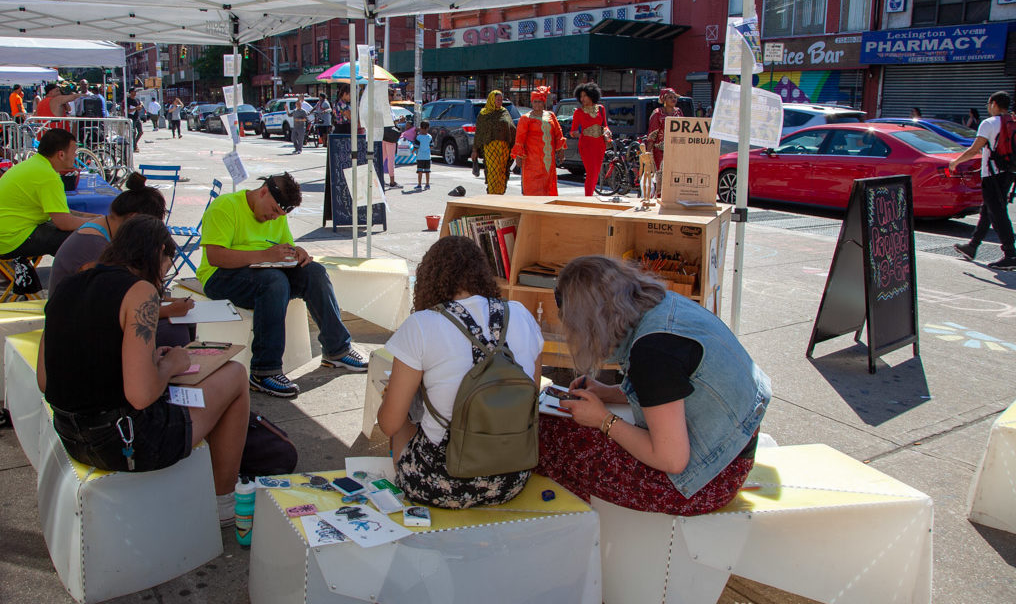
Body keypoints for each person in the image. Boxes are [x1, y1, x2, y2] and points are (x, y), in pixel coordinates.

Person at [38, 214, 249, 525]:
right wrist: (169, 366)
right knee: (235, 376)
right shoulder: (140, 292)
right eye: (166, 266)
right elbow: (140, 396)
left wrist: (152, 360)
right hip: (125, 442)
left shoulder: (68, 286)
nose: (163, 276)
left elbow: (45, 380)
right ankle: (223, 502)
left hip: (70, 435)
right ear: (157, 252)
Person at [536, 256, 769, 515]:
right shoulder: (662, 304)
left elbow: (671, 459)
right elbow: (676, 388)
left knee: (550, 440)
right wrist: (609, 392)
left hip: (710, 480)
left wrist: (604, 420)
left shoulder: (652, 353)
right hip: (730, 445)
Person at [378, 236, 543, 508]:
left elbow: (389, 424)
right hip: (512, 476)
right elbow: (531, 397)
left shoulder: (422, 324)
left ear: (430, 280)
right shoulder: (521, 314)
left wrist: (391, 399)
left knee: (403, 416)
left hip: (441, 482)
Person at [198, 172, 369, 398]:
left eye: (280, 214)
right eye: (273, 211)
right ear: (263, 192)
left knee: (315, 273)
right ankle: (264, 370)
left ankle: (337, 349)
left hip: (263, 270)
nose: (274, 217)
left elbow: (285, 245)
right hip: (220, 276)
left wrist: (296, 253)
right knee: (273, 282)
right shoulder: (225, 206)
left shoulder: (278, 215)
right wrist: (263, 256)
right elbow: (216, 257)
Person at [50, 173, 195, 347]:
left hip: (86, 317)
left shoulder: (104, 230)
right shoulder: (95, 245)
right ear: (133, 219)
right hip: (76, 326)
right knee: (173, 332)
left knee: (179, 325)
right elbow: (111, 309)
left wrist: (165, 302)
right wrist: (166, 309)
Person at [0, 128, 98, 260]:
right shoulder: (48, 176)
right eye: (74, 152)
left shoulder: (36, 164)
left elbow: (62, 214)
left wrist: (94, 217)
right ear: (61, 154)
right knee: (85, 237)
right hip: (12, 240)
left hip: (3, 237)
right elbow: (64, 222)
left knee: (80, 233)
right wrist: (97, 223)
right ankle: (81, 277)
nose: (75, 156)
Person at [950, 91, 1016, 271]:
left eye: (988, 104)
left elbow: (974, 150)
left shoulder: (989, 123)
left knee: (998, 213)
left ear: (994, 104)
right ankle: (973, 246)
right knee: (988, 210)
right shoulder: (1012, 121)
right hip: (1008, 172)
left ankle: (1010, 254)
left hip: (993, 175)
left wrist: (956, 162)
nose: (988, 108)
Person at [511, 86, 566, 196]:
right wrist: (518, 157)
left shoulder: (551, 116)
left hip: (548, 160)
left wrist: (560, 151)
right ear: (532, 103)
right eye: (535, 102)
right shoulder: (526, 118)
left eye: (540, 102)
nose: (537, 104)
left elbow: (558, 134)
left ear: (544, 103)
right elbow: (520, 139)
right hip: (532, 160)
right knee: (533, 187)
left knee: (548, 185)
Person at [570, 82, 612, 196]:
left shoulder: (601, 109)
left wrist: (607, 131)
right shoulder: (578, 112)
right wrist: (580, 134)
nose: (582, 98)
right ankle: (588, 196)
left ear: (591, 95)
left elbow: (605, 125)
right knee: (591, 172)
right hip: (586, 144)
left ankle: (590, 194)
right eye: (581, 96)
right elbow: (572, 131)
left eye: (585, 95)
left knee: (596, 172)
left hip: (599, 144)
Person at [471, 90, 516, 194]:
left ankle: (500, 195)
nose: (500, 102)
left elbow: (512, 128)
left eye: (501, 100)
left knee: (502, 173)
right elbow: (479, 133)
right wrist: (475, 150)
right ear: (492, 100)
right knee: (493, 173)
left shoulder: (504, 112)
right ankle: (492, 196)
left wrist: (515, 146)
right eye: (497, 100)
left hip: (504, 149)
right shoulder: (484, 114)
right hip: (490, 148)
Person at [647, 87, 683, 175]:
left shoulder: (678, 112)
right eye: (670, 97)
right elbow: (652, 134)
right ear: (664, 99)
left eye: (675, 97)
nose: (673, 99)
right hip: (660, 150)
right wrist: (648, 153)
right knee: (661, 175)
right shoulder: (657, 114)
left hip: (676, 149)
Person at [415, 121, 432, 190]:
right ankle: (427, 184)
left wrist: (412, 151)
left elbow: (416, 146)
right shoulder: (429, 137)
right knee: (427, 171)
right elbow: (431, 146)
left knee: (420, 171)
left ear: (420, 128)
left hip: (420, 157)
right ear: (428, 128)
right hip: (427, 157)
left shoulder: (418, 137)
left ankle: (419, 185)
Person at [126, 88, 144, 152]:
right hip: (131, 118)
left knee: (141, 132)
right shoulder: (128, 100)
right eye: (134, 91)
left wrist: (140, 107)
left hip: (137, 117)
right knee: (133, 132)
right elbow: (128, 110)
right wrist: (136, 108)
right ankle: (135, 146)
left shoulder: (137, 99)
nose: (135, 93)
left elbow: (139, 107)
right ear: (131, 92)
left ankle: (134, 144)